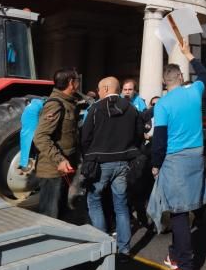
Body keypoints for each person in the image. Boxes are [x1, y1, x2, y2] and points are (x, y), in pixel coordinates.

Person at [148, 39, 206, 270]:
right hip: (196, 155)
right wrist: (189, 54)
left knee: (178, 213)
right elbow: (205, 74)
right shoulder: (194, 92)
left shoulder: (163, 104)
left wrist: (155, 164)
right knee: (187, 208)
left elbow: (160, 140)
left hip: (175, 159)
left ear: (165, 82)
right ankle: (175, 254)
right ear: (180, 77)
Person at [81, 76, 142, 260]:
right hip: (124, 163)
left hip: (100, 164)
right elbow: (139, 135)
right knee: (121, 206)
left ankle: (103, 247)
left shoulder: (95, 109)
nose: (98, 92)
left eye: (99, 89)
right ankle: (124, 250)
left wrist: (88, 156)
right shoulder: (132, 109)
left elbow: (85, 138)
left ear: (106, 88)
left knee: (94, 201)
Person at [33, 68, 80, 219]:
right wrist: (59, 159)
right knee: (50, 216)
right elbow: (40, 136)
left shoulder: (69, 103)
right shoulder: (56, 104)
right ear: (71, 83)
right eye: (77, 80)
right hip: (53, 170)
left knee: (60, 213)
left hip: (64, 168)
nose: (79, 83)